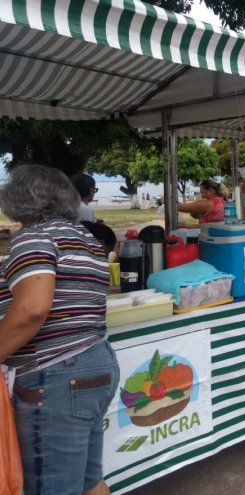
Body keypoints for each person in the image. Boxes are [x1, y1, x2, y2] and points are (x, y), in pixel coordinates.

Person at [0, 165, 119, 495]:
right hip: (95, 363)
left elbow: (32, 308)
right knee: (89, 480)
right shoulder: (86, 239)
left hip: (55, 374)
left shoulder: (33, 236)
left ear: (18, 199)